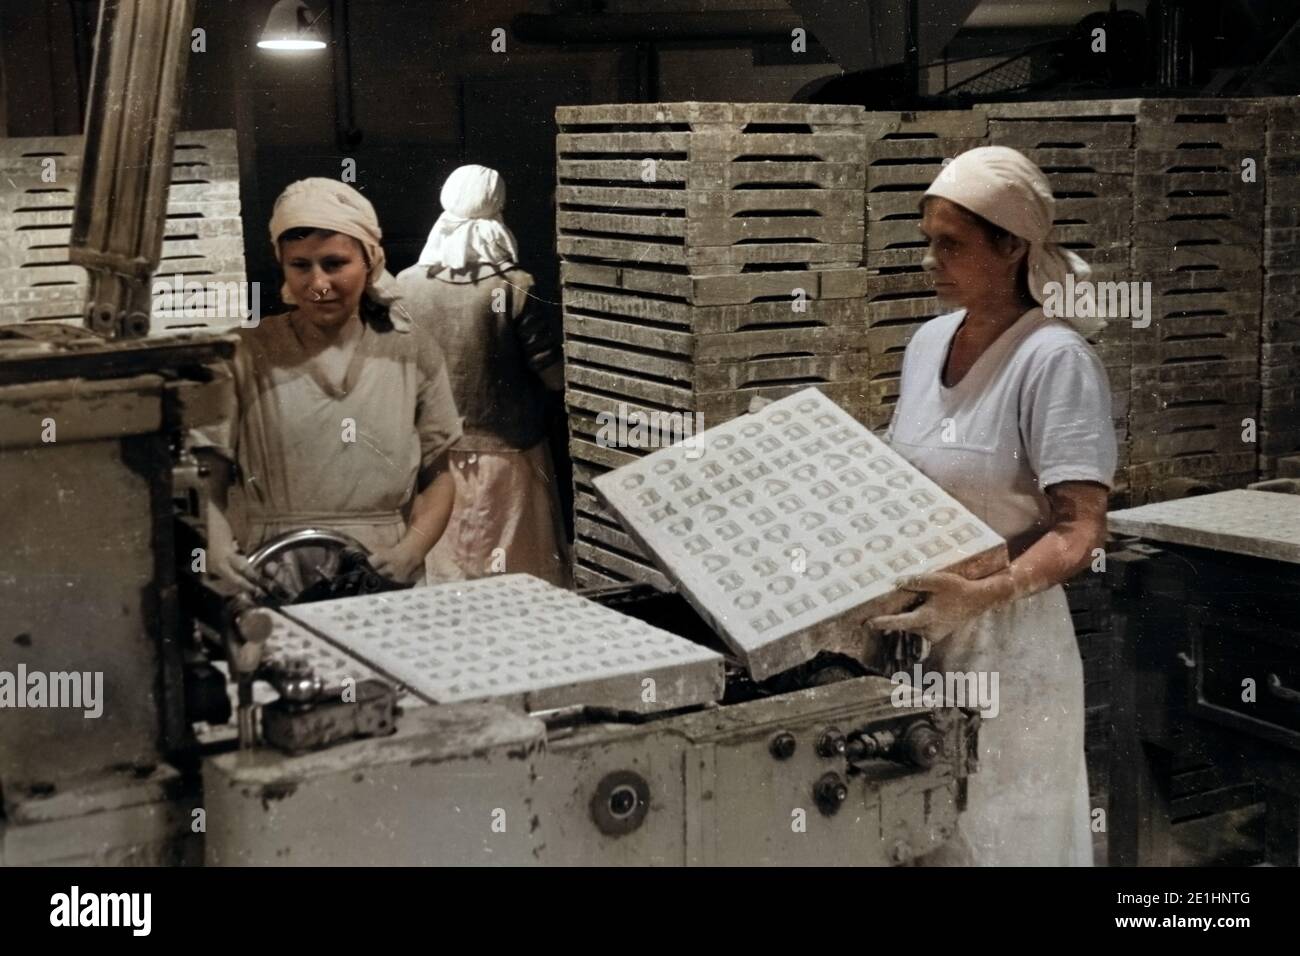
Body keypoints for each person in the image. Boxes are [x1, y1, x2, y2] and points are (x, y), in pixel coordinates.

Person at [869, 146, 1117, 866]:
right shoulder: (927, 343)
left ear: (1011, 247)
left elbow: (1081, 528)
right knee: (927, 839)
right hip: (923, 641)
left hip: (1011, 650)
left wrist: (990, 590)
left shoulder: (1053, 359)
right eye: (928, 242)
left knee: (1005, 840)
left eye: (951, 244)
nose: (931, 261)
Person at [195, 177, 462, 593]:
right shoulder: (244, 354)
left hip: (380, 567)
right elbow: (209, 474)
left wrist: (412, 549)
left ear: (370, 261)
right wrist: (216, 545)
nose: (318, 284)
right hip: (273, 570)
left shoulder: (412, 352)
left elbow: (439, 476)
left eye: (335, 264)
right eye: (300, 266)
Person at [395, 164, 570, 587]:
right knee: (512, 574)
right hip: (506, 458)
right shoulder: (514, 285)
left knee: (446, 571)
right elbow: (552, 376)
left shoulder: (406, 284)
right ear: (498, 210)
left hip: (432, 461)